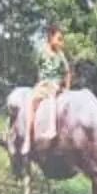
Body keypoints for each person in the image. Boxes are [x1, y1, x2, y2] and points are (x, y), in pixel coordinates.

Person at [25, 21, 74, 161]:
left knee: (52, 96)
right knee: (31, 102)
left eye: (61, 39)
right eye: (58, 39)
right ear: (50, 37)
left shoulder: (60, 55)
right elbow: (39, 70)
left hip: (54, 84)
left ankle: (52, 129)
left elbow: (66, 72)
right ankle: (28, 138)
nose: (61, 42)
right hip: (43, 84)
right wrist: (40, 83)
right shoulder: (41, 52)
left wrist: (67, 88)